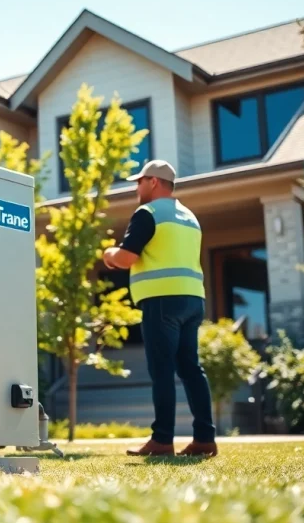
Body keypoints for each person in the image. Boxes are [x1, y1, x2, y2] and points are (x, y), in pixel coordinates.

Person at [102, 159, 217, 457]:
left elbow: (127, 258)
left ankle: (162, 440)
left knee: (162, 370)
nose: (136, 188)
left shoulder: (147, 213)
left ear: (153, 182)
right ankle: (205, 438)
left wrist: (109, 253)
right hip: (193, 300)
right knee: (191, 369)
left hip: (161, 301)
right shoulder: (190, 217)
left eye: (139, 182)